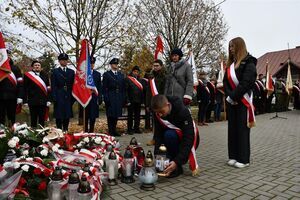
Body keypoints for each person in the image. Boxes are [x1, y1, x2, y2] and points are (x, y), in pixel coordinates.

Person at [223, 37, 257, 168]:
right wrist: (230, 96)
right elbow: (226, 82)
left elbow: (246, 83)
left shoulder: (249, 63)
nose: (230, 49)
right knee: (232, 130)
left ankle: (243, 159)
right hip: (232, 101)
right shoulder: (230, 65)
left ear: (239, 46)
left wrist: (234, 96)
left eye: (233, 46)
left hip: (243, 101)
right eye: (229, 46)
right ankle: (233, 156)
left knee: (242, 130)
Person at [151, 94, 199, 178]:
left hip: (188, 140)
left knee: (170, 135)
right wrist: (158, 157)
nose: (160, 115)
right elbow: (158, 136)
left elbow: (188, 138)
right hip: (171, 138)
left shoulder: (183, 112)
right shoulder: (158, 114)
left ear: (168, 105)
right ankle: (168, 163)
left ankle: (177, 166)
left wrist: (177, 162)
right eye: (157, 113)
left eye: (162, 112)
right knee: (166, 135)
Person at [51, 53, 75, 131]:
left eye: (65, 60)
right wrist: (54, 96)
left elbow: (73, 85)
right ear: (59, 61)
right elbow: (53, 85)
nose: (64, 62)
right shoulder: (55, 71)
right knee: (59, 115)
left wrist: (73, 97)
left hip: (68, 94)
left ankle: (66, 130)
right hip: (59, 94)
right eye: (62, 60)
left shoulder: (71, 72)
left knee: (67, 115)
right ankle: (59, 131)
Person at [145, 59, 167, 145]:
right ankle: (155, 139)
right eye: (154, 66)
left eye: (157, 65)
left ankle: (163, 139)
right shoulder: (151, 77)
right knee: (155, 122)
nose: (155, 67)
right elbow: (148, 91)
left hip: (161, 102)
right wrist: (147, 104)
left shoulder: (165, 76)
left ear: (161, 66)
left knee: (163, 122)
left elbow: (165, 90)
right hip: (153, 102)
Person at [102, 58, 125, 137]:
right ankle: (110, 131)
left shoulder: (120, 75)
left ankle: (114, 130)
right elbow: (104, 88)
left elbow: (122, 88)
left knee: (116, 114)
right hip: (110, 95)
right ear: (111, 65)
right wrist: (106, 98)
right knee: (110, 115)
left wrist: (122, 98)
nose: (116, 65)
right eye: (114, 64)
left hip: (118, 96)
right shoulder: (107, 74)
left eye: (117, 64)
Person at [23, 60, 51, 127]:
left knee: (42, 119)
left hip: (43, 101)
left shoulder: (45, 75)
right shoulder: (28, 75)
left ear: (41, 67)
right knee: (33, 119)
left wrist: (49, 100)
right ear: (32, 67)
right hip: (32, 101)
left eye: (38, 65)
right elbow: (25, 88)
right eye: (35, 65)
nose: (37, 66)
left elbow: (48, 88)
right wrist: (25, 100)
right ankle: (33, 135)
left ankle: (42, 134)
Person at [0, 53, 23, 126]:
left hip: (12, 97)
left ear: (10, 56)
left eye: (8, 55)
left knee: (12, 117)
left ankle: (12, 134)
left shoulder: (15, 68)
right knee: (1, 117)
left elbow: (20, 84)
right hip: (0, 97)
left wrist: (20, 96)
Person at [84, 57, 102, 133]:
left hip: (94, 97)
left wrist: (100, 97)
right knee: (86, 115)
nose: (92, 65)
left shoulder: (97, 74)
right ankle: (85, 131)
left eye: (93, 63)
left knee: (93, 116)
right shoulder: (83, 74)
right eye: (90, 63)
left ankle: (91, 131)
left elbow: (99, 87)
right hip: (85, 97)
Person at [125, 65, 143, 134]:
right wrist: (127, 100)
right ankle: (129, 129)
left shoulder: (140, 80)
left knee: (137, 115)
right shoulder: (128, 79)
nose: (136, 73)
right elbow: (126, 90)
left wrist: (142, 100)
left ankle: (136, 128)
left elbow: (142, 91)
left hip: (138, 100)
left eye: (137, 72)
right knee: (130, 116)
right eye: (135, 71)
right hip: (131, 100)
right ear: (132, 72)